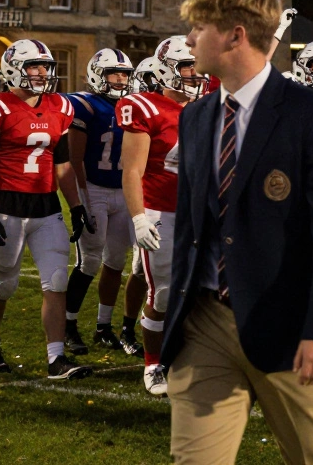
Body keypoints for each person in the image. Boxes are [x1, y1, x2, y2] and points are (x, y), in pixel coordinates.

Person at [160, 0, 313, 464]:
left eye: (199, 26)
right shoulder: (198, 115)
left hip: (288, 325)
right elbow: (192, 224)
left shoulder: (311, 113)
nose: (188, 40)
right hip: (205, 319)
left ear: (235, 35)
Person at [0, 39, 93, 380]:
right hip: (7, 204)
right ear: (12, 69)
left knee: (56, 282)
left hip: (47, 206)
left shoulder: (60, 106)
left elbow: (62, 163)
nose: (41, 73)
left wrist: (76, 206)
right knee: (4, 286)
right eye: (33, 66)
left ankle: (56, 358)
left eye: (44, 66)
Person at [119, 36, 203, 396]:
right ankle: (153, 364)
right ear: (167, 69)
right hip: (159, 210)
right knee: (164, 293)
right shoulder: (144, 107)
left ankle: (189, 356)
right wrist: (139, 217)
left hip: (200, 212)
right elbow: (132, 170)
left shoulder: (207, 106)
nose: (194, 74)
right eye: (187, 67)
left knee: (204, 292)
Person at [62, 49, 146, 360]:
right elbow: (75, 157)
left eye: (125, 73)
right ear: (98, 74)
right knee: (89, 261)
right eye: (115, 73)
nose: (122, 79)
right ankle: (68, 325)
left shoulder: (134, 104)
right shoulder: (85, 105)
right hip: (94, 188)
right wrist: (81, 198)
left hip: (123, 189)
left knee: (117, 262)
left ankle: (103, 326)